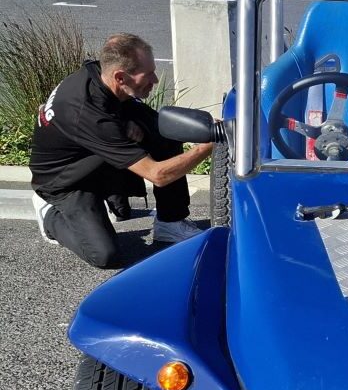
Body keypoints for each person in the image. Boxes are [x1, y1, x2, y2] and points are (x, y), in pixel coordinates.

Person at [29, 33, 212, 269]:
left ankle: (170, 222)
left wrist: (126, 119)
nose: (155, 80)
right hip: (66, 181)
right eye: (148, 75)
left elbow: (111, 115)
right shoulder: (88, 114)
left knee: (165, 130)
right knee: (105, 254)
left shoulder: (100, 74)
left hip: (91, 155)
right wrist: (208, 146)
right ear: (120, 77)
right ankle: (49, 217)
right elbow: (158, 174)